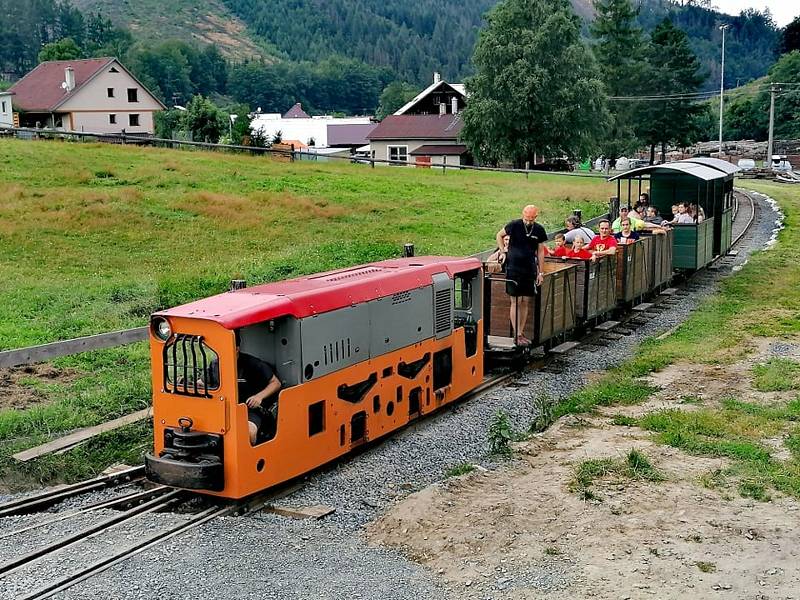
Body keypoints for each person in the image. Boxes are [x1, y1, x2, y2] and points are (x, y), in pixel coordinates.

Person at [206, 336, 282, 445]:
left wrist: (258, 397)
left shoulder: (253, 364)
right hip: (224, 408)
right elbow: (205, 381)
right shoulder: (215, 364)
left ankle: (251, 456)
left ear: (237, 349)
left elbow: (276, 383)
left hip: (251, 409)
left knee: (249, 432)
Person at [495, 205, 547, 346]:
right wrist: (503, 251)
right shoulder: (514, 225)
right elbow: (499, 235)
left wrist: (540, 272)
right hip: (513, 267)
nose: (528, 221)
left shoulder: (539, 229)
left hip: (529, 268)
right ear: (523, 215)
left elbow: (541, 251)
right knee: (515, 301)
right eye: (526, 218)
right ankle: (516, 332)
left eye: (531, 219)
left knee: (525, 301)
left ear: (535, 217)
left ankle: (520, 333)